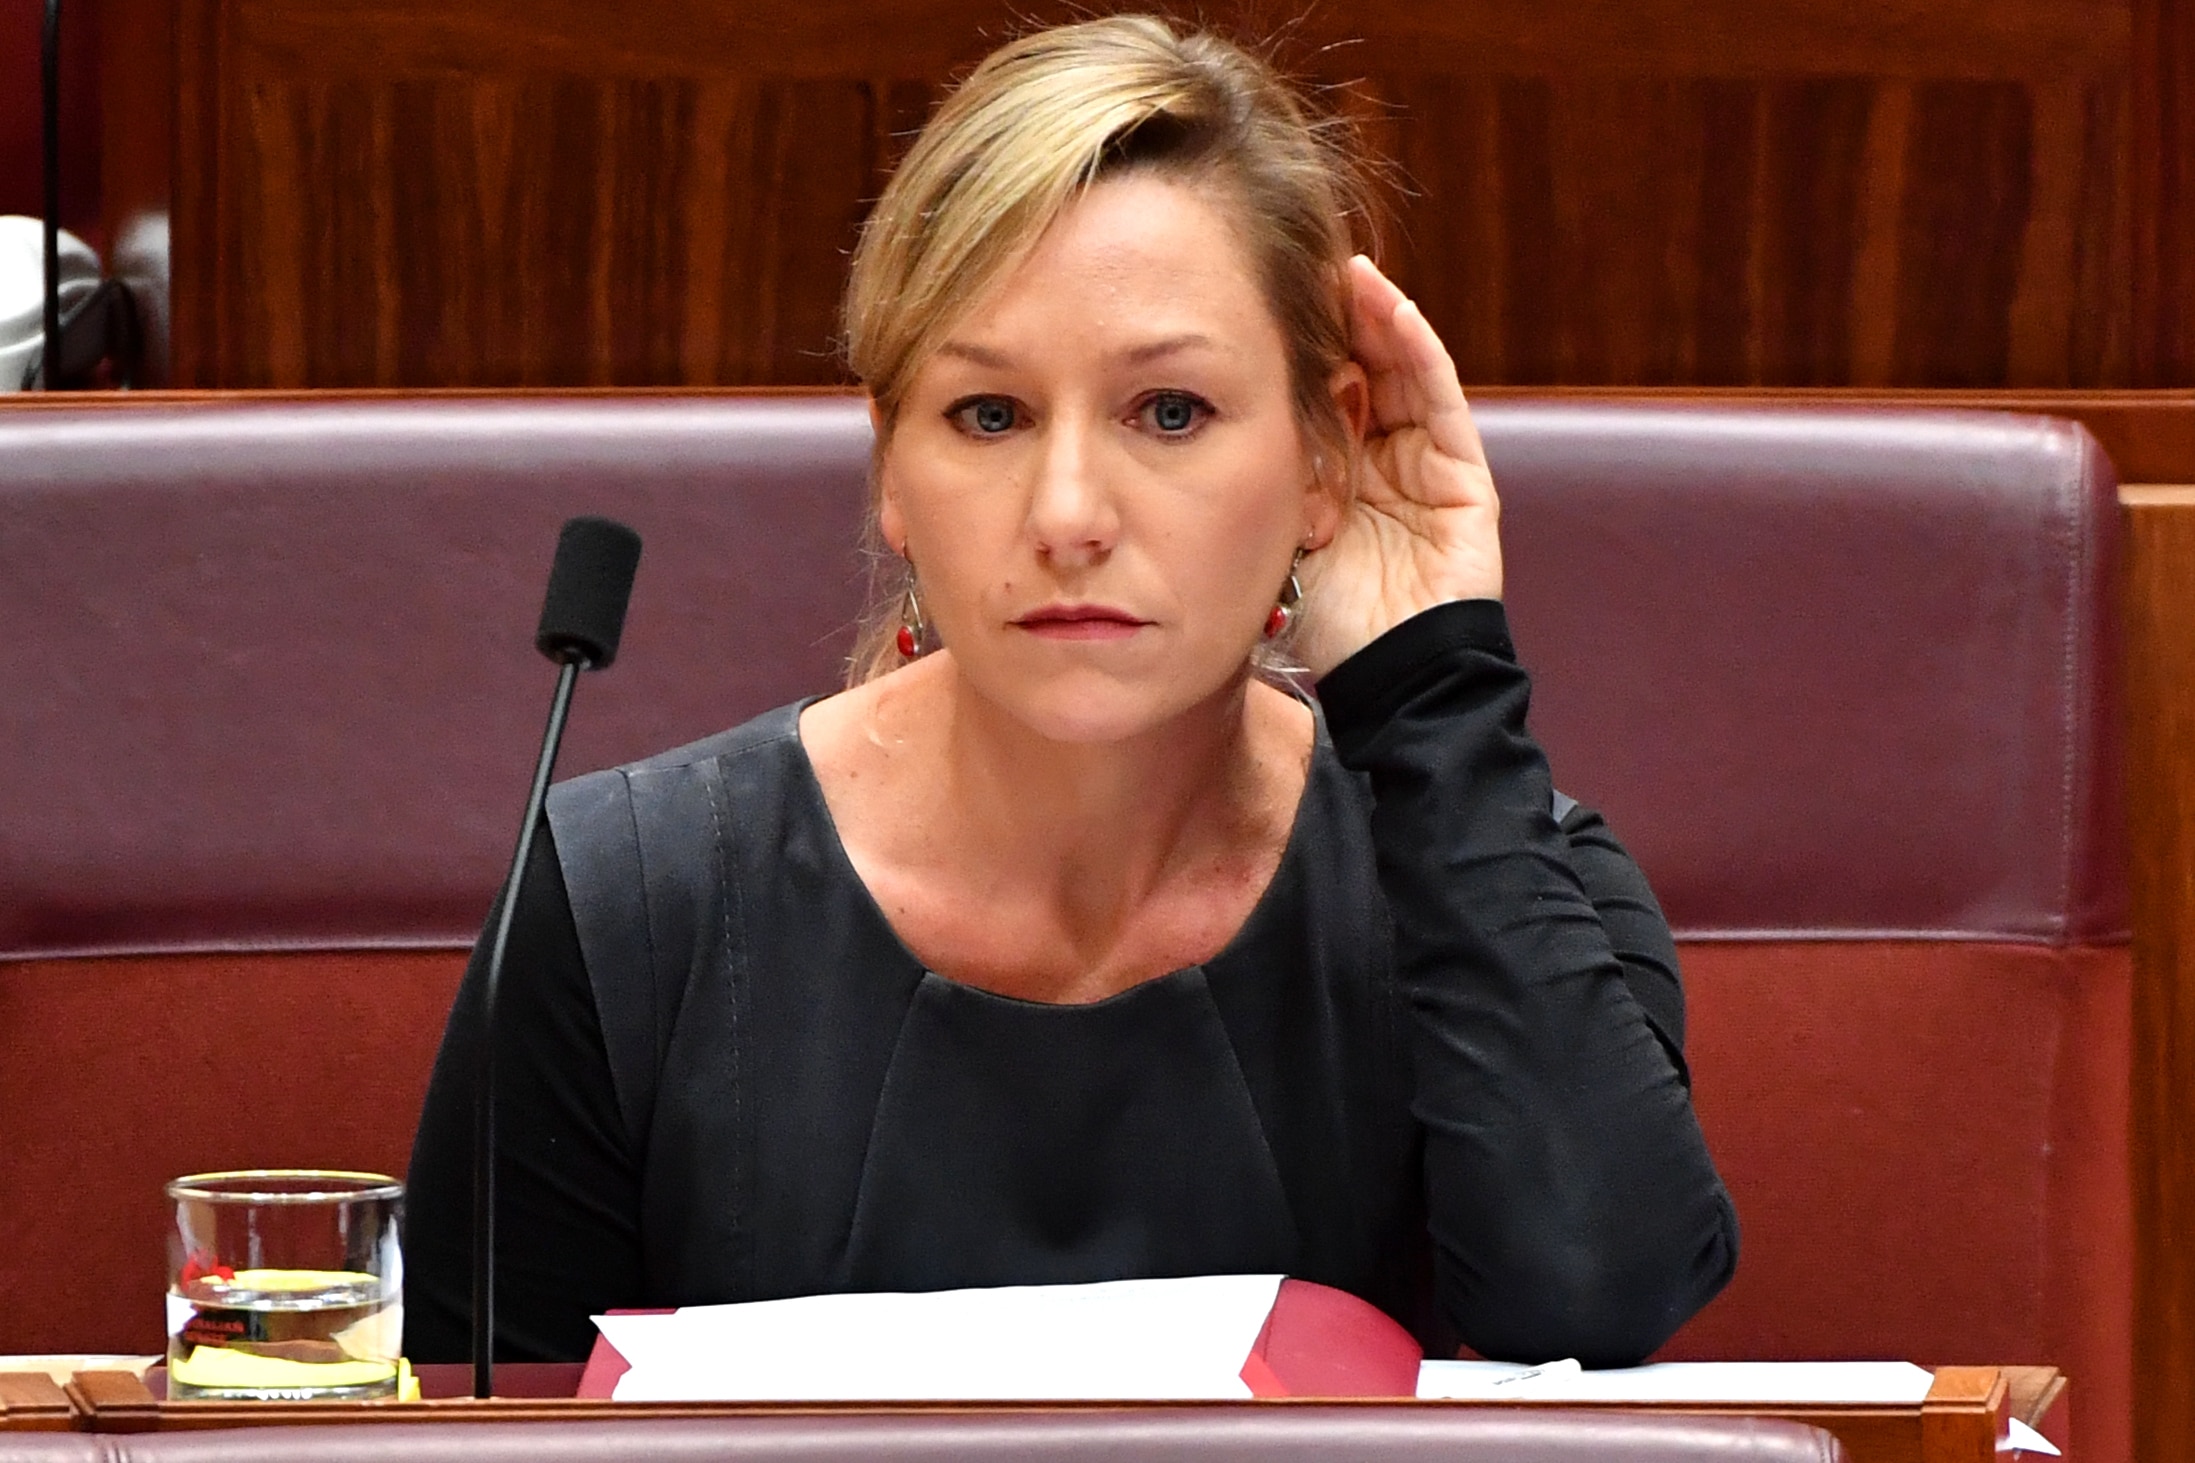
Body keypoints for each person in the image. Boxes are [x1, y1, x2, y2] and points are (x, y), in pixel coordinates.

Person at [404, 13, 1738, 1368]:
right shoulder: (623, 909)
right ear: (891, 471)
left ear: (1324, 460)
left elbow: (1600, 1309)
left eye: (1169, 411)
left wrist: (1430, 684)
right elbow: (478, 1427)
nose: (1069, 514)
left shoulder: (1506, 875)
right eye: (990, 416)